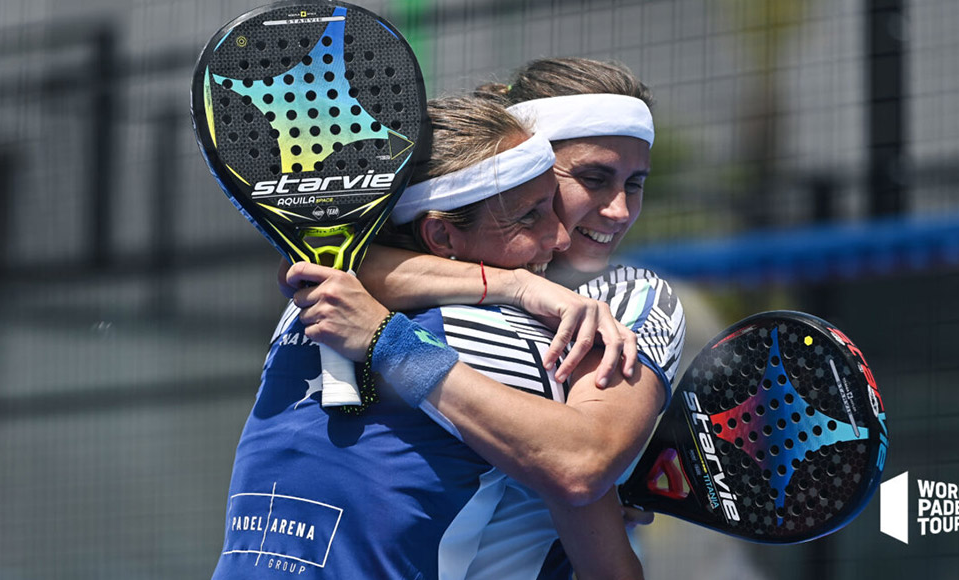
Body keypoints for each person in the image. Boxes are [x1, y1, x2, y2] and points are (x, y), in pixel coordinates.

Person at [212, 96, 642, 580]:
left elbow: (308, 268)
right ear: (441, 237)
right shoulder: (510, 335)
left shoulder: (302, 307)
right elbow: (581, 469)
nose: (560, 238)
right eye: (530, 216)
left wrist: (514, 283)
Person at [288, 58, 686, 576]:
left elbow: (580, 466)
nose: (619, 211)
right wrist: (516, 285)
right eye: (593, 178)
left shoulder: (633, 297)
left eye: (635, 184)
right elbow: (306, 265)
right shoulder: (387, 284)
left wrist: (389, 342)